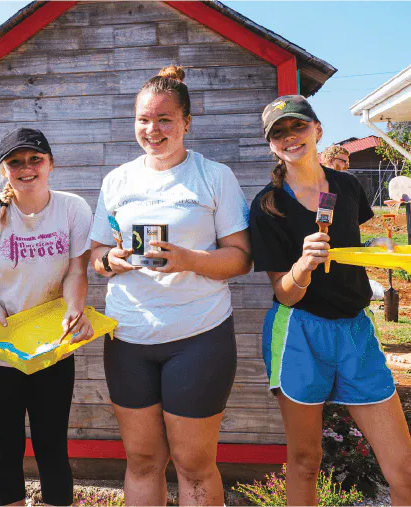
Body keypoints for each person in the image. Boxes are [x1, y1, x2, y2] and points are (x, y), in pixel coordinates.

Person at [250, 95, 411, 506]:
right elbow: (284, 293)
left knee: (407, 472)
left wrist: (375, 245)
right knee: (306, 461)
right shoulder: (268, 206)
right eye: (279, 133)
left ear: (317, 130)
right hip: (299, 332)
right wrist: (303, 266)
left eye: (297, 126)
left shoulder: (346, 186)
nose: (290, 137)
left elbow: (351, 244)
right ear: (271, 145)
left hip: (355, 330)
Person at [88, 66, 252, 506]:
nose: (152, 129)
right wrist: (110, 260)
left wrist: (189, 260)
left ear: (186, 123)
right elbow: (96, 254)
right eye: (144, 119)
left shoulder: (214, 176)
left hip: (198, 337)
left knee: (194, 465)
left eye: (164, 120)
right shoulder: (117, 181)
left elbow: (240, 257)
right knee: (142, 461)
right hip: (128, 336)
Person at [0, 127, 93, 507]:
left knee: (52, 447)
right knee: (6, 450)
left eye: (35, 159)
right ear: (4, 170)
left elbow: (76, 271)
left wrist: (73, 309)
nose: (26, 168)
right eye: (15, 161)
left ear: (51, 164)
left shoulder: (72, 209)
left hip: (52, 347)